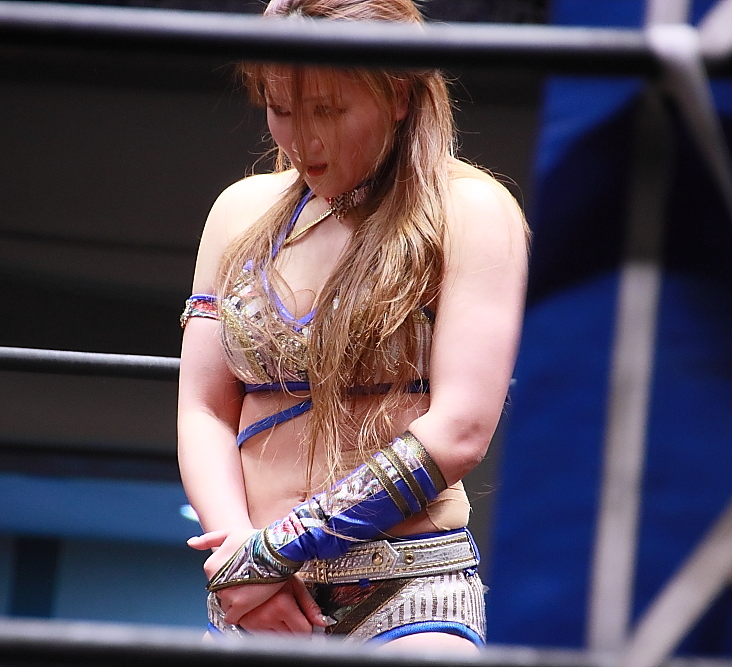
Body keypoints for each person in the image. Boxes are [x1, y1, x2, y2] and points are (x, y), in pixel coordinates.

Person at [177, 0, 527, 652]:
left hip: (409, 589)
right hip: (258, 595)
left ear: (399, 95)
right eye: (281, 109)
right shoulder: (238, 212)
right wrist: (239, 559)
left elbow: (461, 429)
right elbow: (203, 408)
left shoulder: (473, 210)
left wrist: (270, 553)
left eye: (328, 110)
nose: (303, 139)